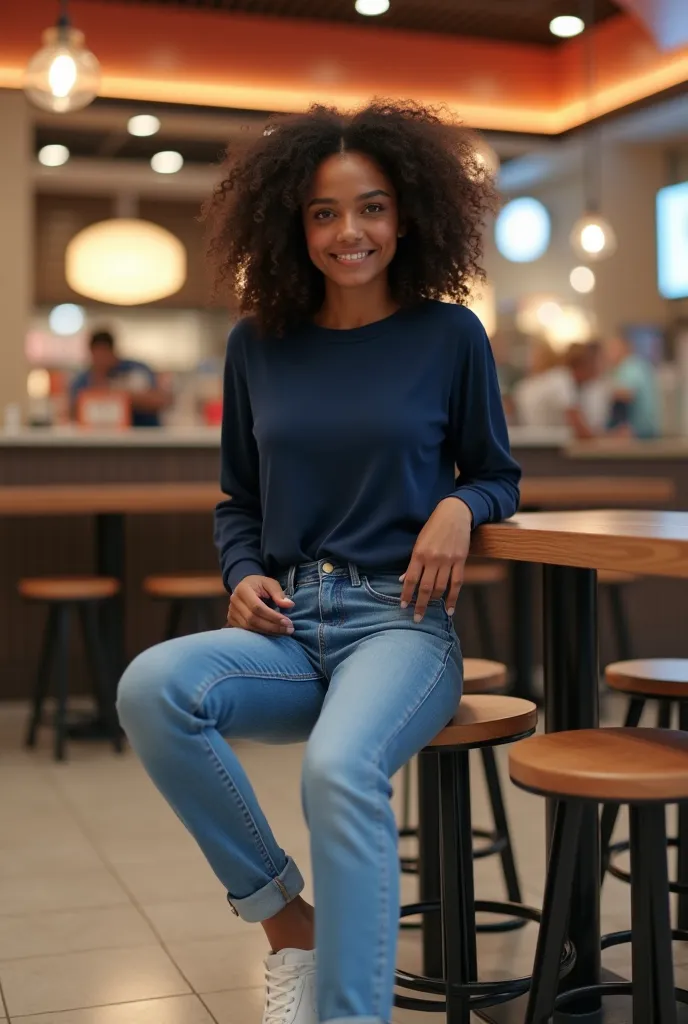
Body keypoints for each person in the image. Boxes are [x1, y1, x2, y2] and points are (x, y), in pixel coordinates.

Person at [117, 101, 520, 1024]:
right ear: (292, 227)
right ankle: (286, 921)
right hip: (293, 623)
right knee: (152, 688)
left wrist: (461, 504)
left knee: (337, 771)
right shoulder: (258, 345)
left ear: (407, 216)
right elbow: (238, 500)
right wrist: (240, 573)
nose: (351, 232)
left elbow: (498, 475)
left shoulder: (449, 335)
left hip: (401, 628)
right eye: (325, 213)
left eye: (372, 208)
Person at [70, 329, 169, 427]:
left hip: (144, 434)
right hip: (104, 438)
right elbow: (72, 412)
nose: (102, 360)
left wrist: (120, 395)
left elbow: (160, 401)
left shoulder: (135, 370)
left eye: (104, 353)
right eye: (97, 355)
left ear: (112, 351)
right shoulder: (83, 380)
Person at [604, 333, 660, 439]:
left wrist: (603, 391)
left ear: (624, 349)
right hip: (645, 430)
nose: (608, 354)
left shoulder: (630, 365)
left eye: (612, 349)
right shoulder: (638, 365)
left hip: (640, 432)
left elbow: (627, 394)